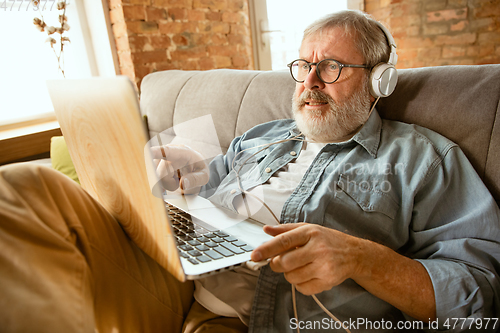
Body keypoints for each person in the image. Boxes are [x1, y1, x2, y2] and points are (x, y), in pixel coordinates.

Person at [0, 10, 499, 333]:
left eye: (330, 69)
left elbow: (480, 293)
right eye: (302, 67)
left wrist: (362, 260)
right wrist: (177, 173)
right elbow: (202, 186)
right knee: (25, 187)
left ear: (380, 81)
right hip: (173, 276)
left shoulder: (422, 160)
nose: (309, 82)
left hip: (266, 320)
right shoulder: (264, 135)